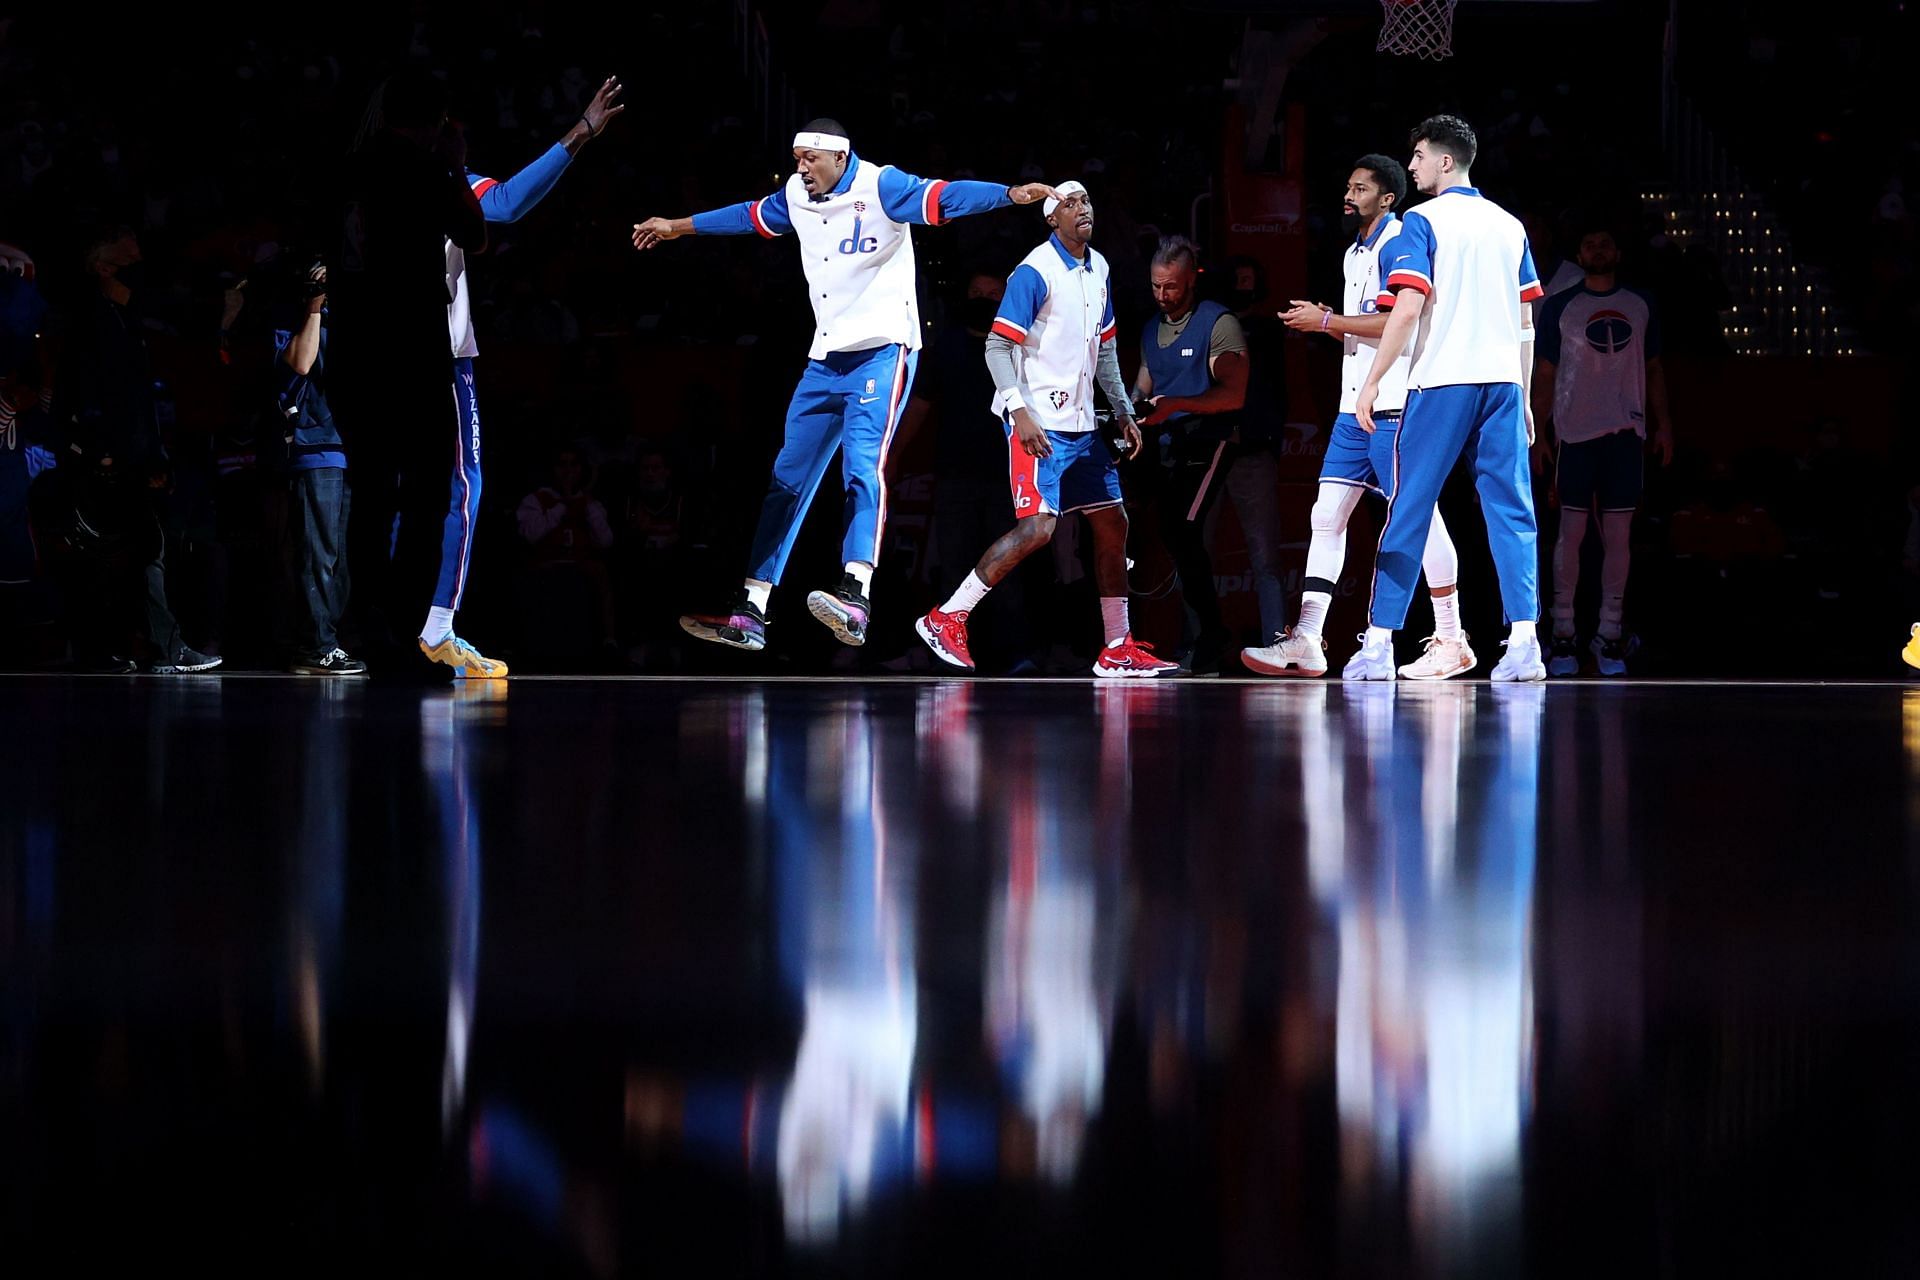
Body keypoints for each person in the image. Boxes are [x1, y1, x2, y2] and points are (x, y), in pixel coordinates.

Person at [632, 118, 1055, 653]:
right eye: (796, 157)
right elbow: (746, 216)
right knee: (786, 481)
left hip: (882, 352)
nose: (800, 167)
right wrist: (677, 226)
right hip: (825, 357)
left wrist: (1009, 194)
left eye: (809, 157)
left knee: (861, 467)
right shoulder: (795, 195)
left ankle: (855, 597)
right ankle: (752, 610)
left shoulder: (880, 185)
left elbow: (945, 197)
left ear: (839, 155)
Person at [914, 182, 1176, 678]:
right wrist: (1019, 412)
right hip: (1039, 425)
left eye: (1088, 202)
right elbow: (996, 347)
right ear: (1051, 219)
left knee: (1112, 522)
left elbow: (1104, 351)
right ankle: (947, 616)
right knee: (1039, 528)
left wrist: (1121, 409)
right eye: (1070, 204)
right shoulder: (1034, 270)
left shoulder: (1098, 268)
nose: (1083, 210)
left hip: (1081, 425)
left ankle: (1117, 645)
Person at [419, 75, 626, 674]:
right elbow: (507, 203)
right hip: (439, 359)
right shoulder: (446, 185)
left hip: (383, 357)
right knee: (462, 487)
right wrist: (581, 133)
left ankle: (377, 625)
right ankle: (434, 627)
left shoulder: (369, 187)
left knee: (394, 490)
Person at [1243, 155, 1470, 680]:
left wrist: (1326, 320)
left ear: (1388, 198)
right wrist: (1328, 324)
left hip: (1393, 404)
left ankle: (1453, 635)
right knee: (1326, 517)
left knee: (1418, 517)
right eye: (1347, 186)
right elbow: (1363, 327)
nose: (1349, 195)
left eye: (1361, 188)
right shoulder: (1354, 252)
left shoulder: (1398, 243)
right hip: (1353, 409)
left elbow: (1398, 322)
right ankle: (1307, 639)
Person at [1350, 115, 1548, 682]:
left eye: (1416, 156)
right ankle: (1526, 647)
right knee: (1514, 515)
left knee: (1408, 509)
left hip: (1442, 384)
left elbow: (1407, 308)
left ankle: (1380, 645)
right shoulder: (1511, 225)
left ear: (1444, 161)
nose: (1409, 166)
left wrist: (1372, 382)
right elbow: (1527, 323)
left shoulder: (1420, 219)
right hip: (1504, 384)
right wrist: (1527, 396)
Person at [329, 70, 489, 677]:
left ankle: (361, 623)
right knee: (424, 497)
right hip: (411, 352)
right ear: (436, 121)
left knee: (369, 495)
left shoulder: (348, 167)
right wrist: (450, 167)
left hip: (353, 351)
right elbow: (473, 235)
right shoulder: (425, 169)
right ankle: (399, 633)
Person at [38, 229, 220, 673]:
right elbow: (87, 394)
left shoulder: (122, 318)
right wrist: (100, 452)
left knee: (128, 554)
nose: (137, 263)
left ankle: (114, 647)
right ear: (102, 268)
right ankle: (161, 646)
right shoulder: (91, 320)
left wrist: (152, 456)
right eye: (126, 261)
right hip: (108, 460)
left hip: (127, 459)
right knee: (139, 550)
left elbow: (136, 400)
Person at [1532, 224, 1674, 676]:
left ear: (1617, 252)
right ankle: (1564, 636)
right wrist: (1538, 432)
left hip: (1624, 434)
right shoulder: (1560, 307)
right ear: (1579, 253)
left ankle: (1609, 635)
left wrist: (1664, 425)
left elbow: (1653, 368)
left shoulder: (1640, 303)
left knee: (1618, 538)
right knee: (1568, 536)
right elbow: (1546, 374)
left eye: (1606, 242)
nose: (1598, 248)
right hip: (1574, 434)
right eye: (1589, 243)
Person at [1130, 236, 1248, 673]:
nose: (1163, 296)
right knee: (1167, 531)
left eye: (1172, 288)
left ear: (1191, 281)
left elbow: (1234, 395)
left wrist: (1176, 405)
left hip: (1210, 440)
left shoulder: (1219, 323)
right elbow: (1142, 386)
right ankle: (1195, 636)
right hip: (1166, 444)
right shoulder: (1149, 329)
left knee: (1181, 530)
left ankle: (1212, 636)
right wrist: (1127, 412)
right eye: (1157, 286)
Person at [267, 256, 363, 675]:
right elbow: (302, 364)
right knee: (318, 553)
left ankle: (328, 638)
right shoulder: (289, 324)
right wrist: (313, 308)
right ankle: (315, 645)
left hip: (350, 449)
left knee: (341, 556)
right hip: (316, 450)